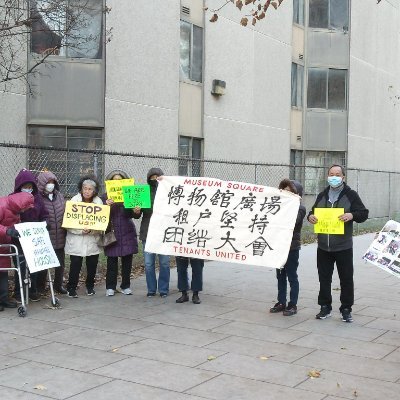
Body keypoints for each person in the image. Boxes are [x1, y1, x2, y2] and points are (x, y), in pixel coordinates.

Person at [307, 164, 369, 323]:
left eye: (337, 174)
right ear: (327, 176)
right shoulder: (322, 195)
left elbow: (363, 214)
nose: (334, 177)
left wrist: (351, 215)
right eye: (331, 174)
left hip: (343, 246)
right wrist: (311, 217)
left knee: (346, 278)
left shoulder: (351, 195)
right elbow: (312, 212)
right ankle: (325, 307)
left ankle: (346, 309)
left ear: (343, 177)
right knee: (324, 278)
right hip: (323, 247)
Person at [270, 179, 306, 316]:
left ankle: (293, 304)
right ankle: (281, 302)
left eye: (290, 192)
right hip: (279, 247)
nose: (286, 194)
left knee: (292, 276)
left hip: (291, 248)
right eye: (284, 191)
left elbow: (291, 221)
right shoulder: (278, 206)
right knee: (280, 276)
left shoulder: (300, 208)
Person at [12, 169, 49, 302]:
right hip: (19, 237)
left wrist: (45, 222)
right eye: (25, 186)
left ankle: (33, 290)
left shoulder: (38, 199)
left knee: (34, 264)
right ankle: (18, 291)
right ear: (19, 186)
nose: (28, 189)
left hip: (34, 236)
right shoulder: (13, 198)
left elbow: (44, 214)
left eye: (30, 186)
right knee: (20, 266)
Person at [133, 168, 170, 298]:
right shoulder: (144, 192)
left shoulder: (168, 191)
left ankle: (164, 289)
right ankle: (151, 289)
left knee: (164, 262)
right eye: (152, 177)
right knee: (149, 263)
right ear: (148, 179)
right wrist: (136, 211)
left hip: (164, 232)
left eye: (157, 177)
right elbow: (137, 215)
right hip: (147, 231)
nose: (154, 179)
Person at [65, 176, 103, 298]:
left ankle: (90, 286)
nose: (87, 191)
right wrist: (81, 230)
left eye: (90, 189)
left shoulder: (98, 202)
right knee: (75, 264)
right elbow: (68, 223)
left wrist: (92, 230)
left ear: (94, 191)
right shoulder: (74, 201)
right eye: (84, 188)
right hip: (76, 239)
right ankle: (71, 288)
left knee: (92, 264)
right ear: (81, 189)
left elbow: (101, 222)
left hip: (92, 240)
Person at [102, 169, 138, 296]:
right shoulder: (104, 197)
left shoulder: (130, 194)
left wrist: (136, 211)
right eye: (114, 180)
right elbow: (100, 215)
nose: (117, 182)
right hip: (112, 231)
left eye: (120, 180)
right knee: (112, 261)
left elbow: (134, 215)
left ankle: (126, 285)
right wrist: (106, 205)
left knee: (127, 261)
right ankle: (110, 287)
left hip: (127, 230)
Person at [0, 192, 34, 311]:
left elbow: (14, 224)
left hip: (4, 243)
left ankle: (3, 300)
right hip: (3, 238)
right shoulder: (2, 205)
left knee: (3, 272)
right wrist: (7, 231)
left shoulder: (16, 210)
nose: (25, 210)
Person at [37, 171, 67, 294]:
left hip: (60, 235)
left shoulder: (59, 196)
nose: (50, 185)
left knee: (60, 263)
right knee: (43, 265)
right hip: (45, 236)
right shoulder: (37, 197)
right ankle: (40, 287)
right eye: (48, 182)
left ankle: (58, 285)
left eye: (52, 182)